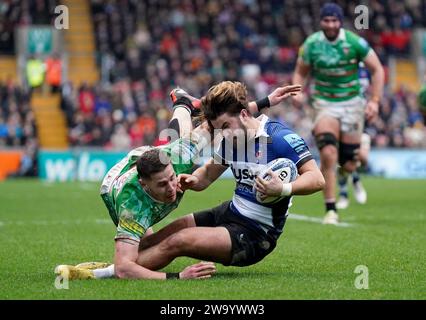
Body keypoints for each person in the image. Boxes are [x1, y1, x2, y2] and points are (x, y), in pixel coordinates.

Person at [55, 84, 301, 280]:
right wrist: (174, 276)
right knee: (146, 245)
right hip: (117, 187)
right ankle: (184, 104)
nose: (173, 188)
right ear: (145, 186)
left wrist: (266, 101)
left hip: (255, 233)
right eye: (163, 185)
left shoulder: (178, 159)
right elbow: (225, 123)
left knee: (181, 142)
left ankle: (98, 274)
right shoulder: (133, 206)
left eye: (172, 179)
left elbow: (224, 120)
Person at [108, 80, 324, 273]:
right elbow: (208, 175)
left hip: (256, 234)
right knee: (157, 238)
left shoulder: (279, 138)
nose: (224, 134)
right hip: (230, 212)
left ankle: (119, 271)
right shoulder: (230, 139)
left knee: (179, 241)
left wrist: (283, 189)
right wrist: (194, 180)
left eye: (226, 127)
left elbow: (317, 179)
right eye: (219, 129)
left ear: (243, 114)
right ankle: (127, 267)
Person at [291, 2, 384, 224]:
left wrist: (375, 101)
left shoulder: (354, 42)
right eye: (326, 20)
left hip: (352, 104)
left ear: (340, 22)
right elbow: (299, 72)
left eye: (334, 20)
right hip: (324, 104)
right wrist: (297, 91)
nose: (330, 25)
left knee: (350, 163)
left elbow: (377, 69)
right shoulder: (311, 44)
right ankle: (330, 209)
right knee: (328, 153)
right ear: (321, 22)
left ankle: (347, 172)